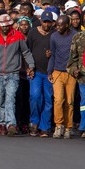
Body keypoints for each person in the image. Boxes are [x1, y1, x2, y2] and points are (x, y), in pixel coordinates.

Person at [0, 13, 35, 136]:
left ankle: (11, 124)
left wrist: (31, 65)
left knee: (10, 98)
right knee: (0, 99)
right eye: (3, 26)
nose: (6, 28)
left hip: (13, 73)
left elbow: (26, 52)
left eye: (8, 26)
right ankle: (1, 124)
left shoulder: (18, 36)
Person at [26, 9, 55, 137]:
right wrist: (29, 67)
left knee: (48, 99)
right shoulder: (33, 33)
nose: (46, 25)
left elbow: (58, 52)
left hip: (49, 72)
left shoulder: (54, 34)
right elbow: (26, 52)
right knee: (35, 97)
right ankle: (34, 122)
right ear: (40, 21)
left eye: (49, 22)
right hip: (36, 72)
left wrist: (51, 54)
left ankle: (45, 126)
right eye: (45, 22)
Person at [47, 14, 76, 139]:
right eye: (56, 25)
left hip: (70, 72)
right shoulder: (53, 36)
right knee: (58, 100)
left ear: (67, 25)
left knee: (69, 102)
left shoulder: (75, 35)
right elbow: (52, 54)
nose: (57, 27)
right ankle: (59, 125)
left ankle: (68, 127)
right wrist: (49, 71)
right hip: (57, 71)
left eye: (60, 25)